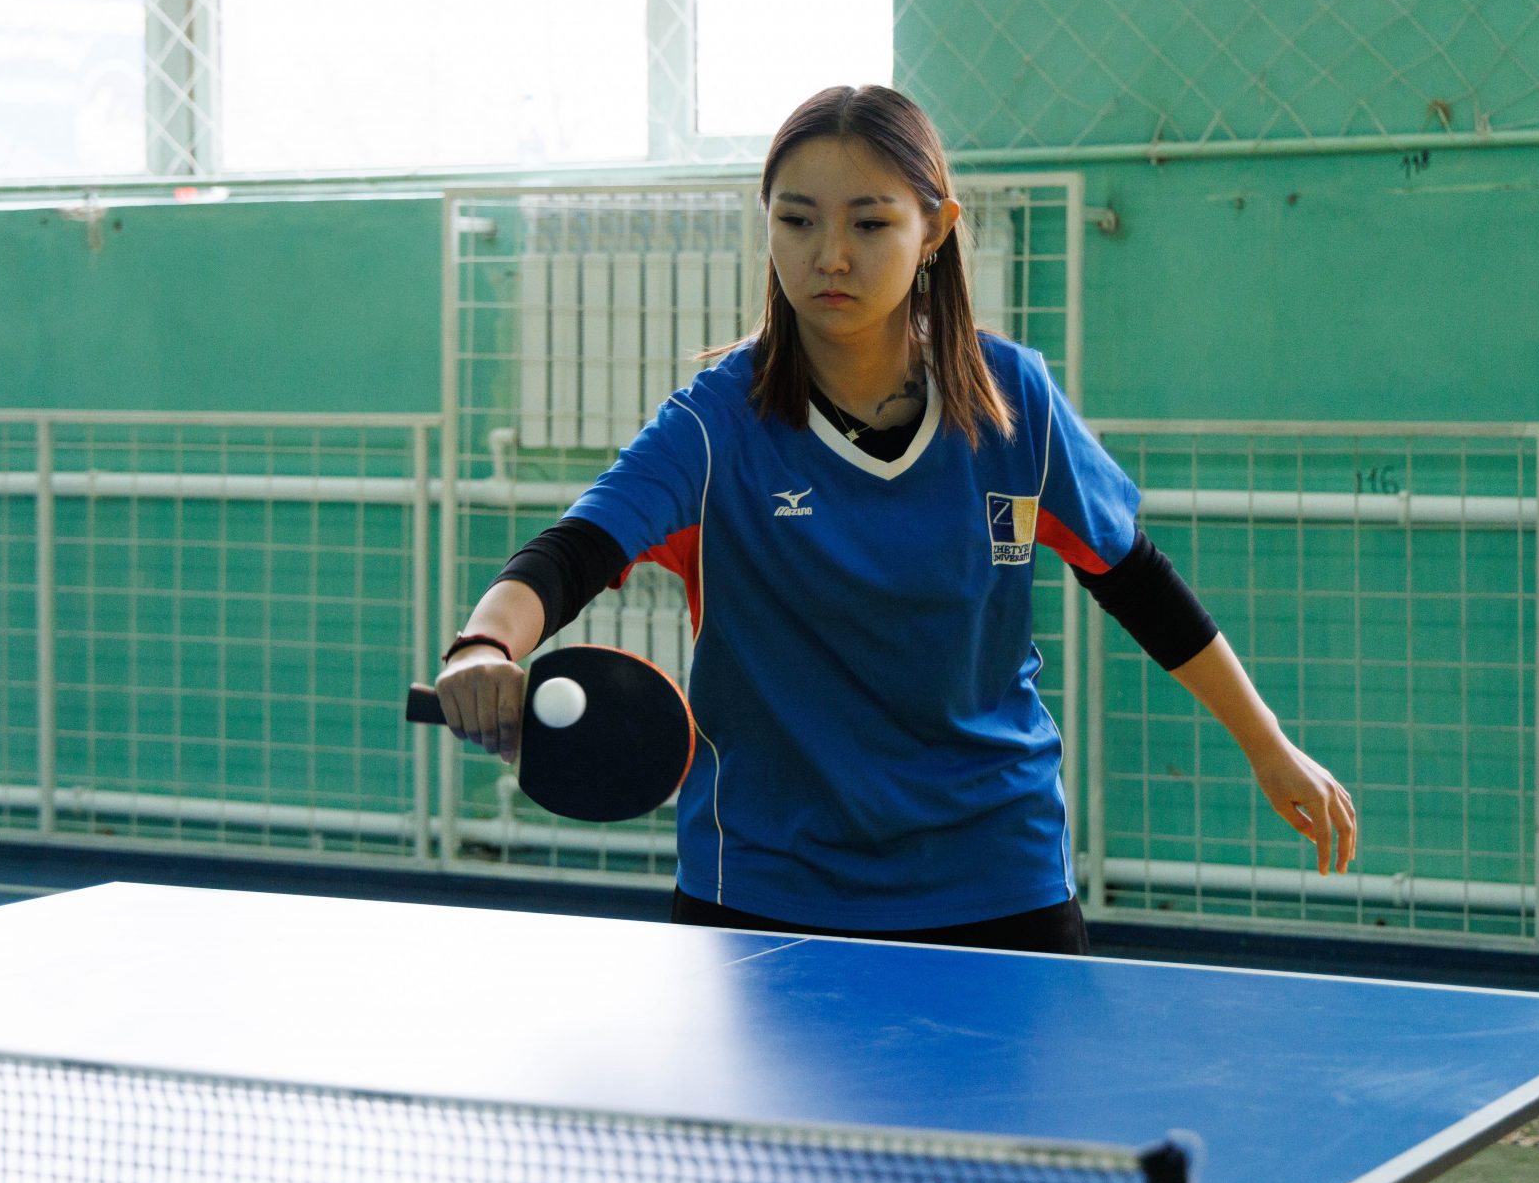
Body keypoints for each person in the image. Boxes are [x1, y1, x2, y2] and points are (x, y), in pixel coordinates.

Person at [433, 84, 1357, 954]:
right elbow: (571, 554)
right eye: (797, 221)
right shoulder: (715, 425)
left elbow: (1137, 580)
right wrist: (483, 646)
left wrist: (1268, 747)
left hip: (996, 871)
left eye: (870, 223)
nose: (830, 256)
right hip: (764, 881)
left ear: (935, 231)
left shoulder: (1016, 403)